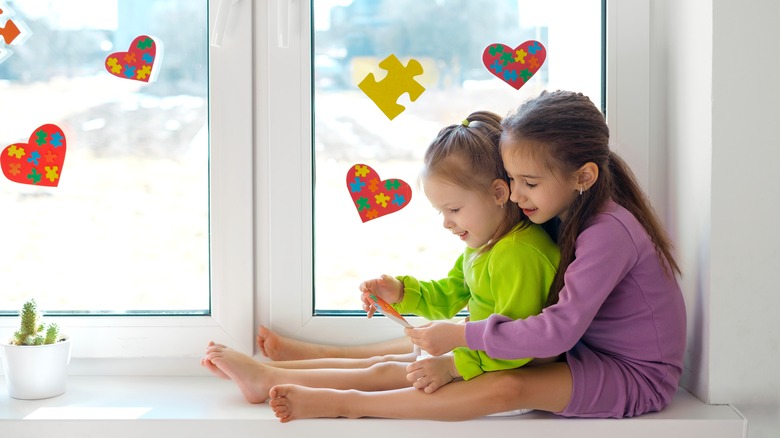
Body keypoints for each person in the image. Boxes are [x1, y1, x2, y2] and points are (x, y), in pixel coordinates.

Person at [267, 90, 686, 422]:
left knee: (506, 387)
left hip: (633, 375)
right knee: (429, 356)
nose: (515, 194)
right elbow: (459, 290)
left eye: (529, 183)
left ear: (583, 176)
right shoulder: (553, 214)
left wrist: (461, 338)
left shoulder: (607, 233)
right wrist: (407, 295)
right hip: (580, 353)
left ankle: (349, 405)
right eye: (512, 180)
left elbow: (555, 331)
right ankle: (294, 368)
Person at [202, 110, 560, 400]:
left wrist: (452, 367)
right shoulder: (489, 245)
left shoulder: (517, 254)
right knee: (391, 360)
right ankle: (270, 372)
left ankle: (265, 379)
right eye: (441, 213)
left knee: (388, 370)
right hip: (481, 360)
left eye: (454, 209)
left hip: (503, 371)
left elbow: (517, 343)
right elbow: (452, 293)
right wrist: (403, 293)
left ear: (499, 193)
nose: (447, 224)